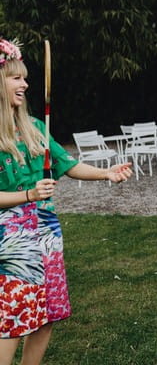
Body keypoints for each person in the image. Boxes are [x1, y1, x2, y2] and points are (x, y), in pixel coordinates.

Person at [0, 38, 133, 365]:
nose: (25, 84)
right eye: (16, 77)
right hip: (12, 237)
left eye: (25, 77)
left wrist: (106, 173)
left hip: (46, 231)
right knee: (15, 318)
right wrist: (29, 194)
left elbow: (69, 165)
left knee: (47, 316)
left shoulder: (34, 128)